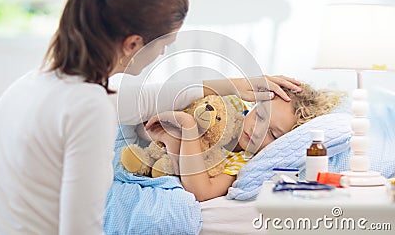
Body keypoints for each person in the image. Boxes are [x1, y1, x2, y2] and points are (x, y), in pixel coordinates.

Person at [0, 0, 302, 234]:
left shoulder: (35, 84)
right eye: (165, 44)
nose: (164, 53)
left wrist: (236, 85)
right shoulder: (89, 107)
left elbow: (152, 97)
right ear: (133, 44)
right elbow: (82, 227)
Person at [145, 83, 345, 201]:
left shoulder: (243, 160)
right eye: (260, 116)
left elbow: (201, 191)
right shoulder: (229, 105)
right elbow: (148, 118)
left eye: (272, 135)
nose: (257, 131)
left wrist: (185, 131)